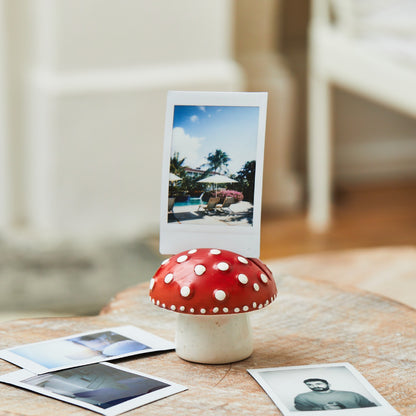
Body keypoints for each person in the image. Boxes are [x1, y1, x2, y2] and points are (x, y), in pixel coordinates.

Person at [294, 378, 377, 411]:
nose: (314, 386)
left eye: (318, 383)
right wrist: (322, 408)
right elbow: (301, 409)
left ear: (329, 384)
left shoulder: (352, 394)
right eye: (310, 385)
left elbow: (371, 407)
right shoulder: (302, 397)